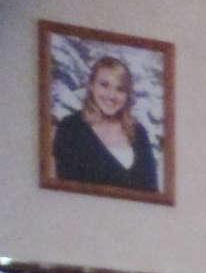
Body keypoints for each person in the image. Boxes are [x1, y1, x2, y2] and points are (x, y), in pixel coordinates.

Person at [50, 55, 160, 194]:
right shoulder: (70, 128)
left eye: (120, 89)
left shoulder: (138, 132)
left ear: (127, 95)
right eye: (104, 85)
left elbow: (152, 191)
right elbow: (64, 189)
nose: (111, 95)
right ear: (91, 86)